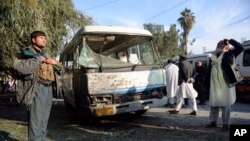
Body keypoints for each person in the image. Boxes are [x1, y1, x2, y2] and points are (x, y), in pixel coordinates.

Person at [13, 31, 62, 141]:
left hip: (48, 89)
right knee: (35, 122)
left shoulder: (47, 54)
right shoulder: (25, 52)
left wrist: (55, 63)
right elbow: (19, 68)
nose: (44, 40)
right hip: (36, 89)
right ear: (33, 40)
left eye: (45, 38)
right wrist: (39, 60)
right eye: (41, 38)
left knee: (44, 121)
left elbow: (60, 69)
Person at [205, 39, 244, 131]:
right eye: (219, 43)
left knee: (225, 105)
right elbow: (209, 71)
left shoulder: (229, 54)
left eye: (223, 43)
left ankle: (226, 124)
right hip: (214, 84)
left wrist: (230, 41)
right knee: (213, 104)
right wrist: (205, 83)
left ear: (226, 46)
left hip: (225, 83)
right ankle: (213, 122)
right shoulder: (212, 56)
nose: (220, 44)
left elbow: (241, 48)